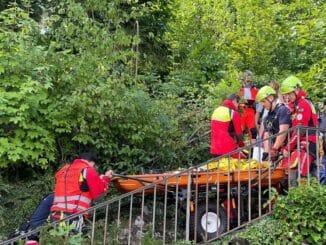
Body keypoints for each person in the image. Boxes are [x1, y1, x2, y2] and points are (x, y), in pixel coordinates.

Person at [50, 152, 112, 230]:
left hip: (56, 215)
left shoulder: (64, 170)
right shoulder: (87, 170)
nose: (93, 167)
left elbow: (77, 188)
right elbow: (98, 194)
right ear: (92, 162)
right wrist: (105, 178)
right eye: (93, 165)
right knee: (73, 240)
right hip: (73, 214)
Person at [279, 75, 318, 176]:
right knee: (289, 171)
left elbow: (300, 130)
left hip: (309, 142)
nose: (287, 97)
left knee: (301, 174)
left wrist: (288, 147)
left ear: (296, 90)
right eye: (286, 95)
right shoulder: (296, 105)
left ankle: (302, 190)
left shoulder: (303, 104)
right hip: (301, 141)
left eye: (289, 94)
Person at [255, 86, 292, 161]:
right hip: (275, 152)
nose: (262, 104)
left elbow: (283, 133)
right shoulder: (267, 117)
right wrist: (266, 153)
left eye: (263, 101)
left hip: (286, 150)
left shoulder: (283, 110)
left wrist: (274, 149)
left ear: (271, 98)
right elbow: (266, 135)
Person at [210, 93, 246, 158]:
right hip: (228, 149)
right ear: (234, 101)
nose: (237, 106)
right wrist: (242, 146)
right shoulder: (233, 113)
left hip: (214, 150)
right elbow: (239, 134)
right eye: (238, 103)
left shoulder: (216, 110)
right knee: (244, 160)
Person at [239, 70, 259, 144]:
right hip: (242, 111)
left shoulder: (255, 90)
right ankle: (238, 148)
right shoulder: (240, 90)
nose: (249, 82)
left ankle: (253, 149)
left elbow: (259, 100)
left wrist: (255, 101)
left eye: (250, 80)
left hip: (251, 110)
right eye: (247, 80)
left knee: (252, 131)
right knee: (240, 129)